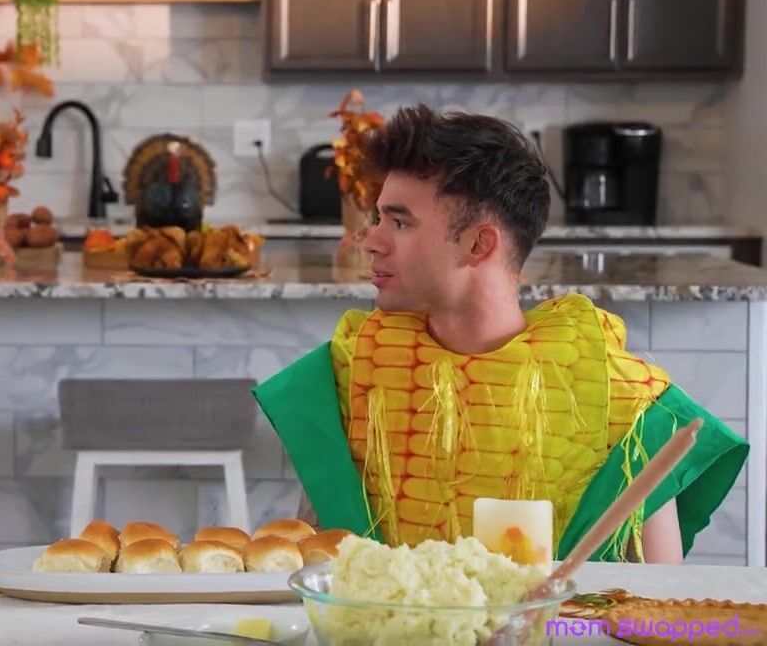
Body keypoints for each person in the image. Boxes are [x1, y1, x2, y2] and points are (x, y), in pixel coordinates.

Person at [254, 105, 747, 563]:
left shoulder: (622, 398)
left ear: (478, 244)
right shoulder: (349, 373)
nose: (372, 241)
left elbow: (656, 597)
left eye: (400, 222)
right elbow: (311, 567)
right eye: (378, 217)